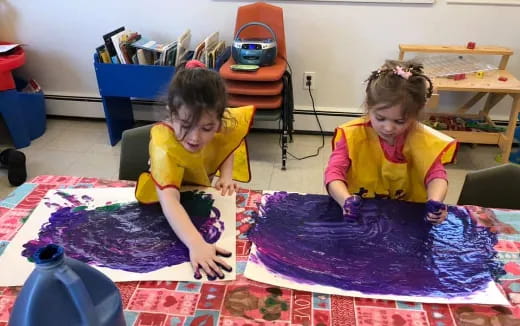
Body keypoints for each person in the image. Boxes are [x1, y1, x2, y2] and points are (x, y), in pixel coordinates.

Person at [135, 60, 255, 279]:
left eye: (207, 128)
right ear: (171, 114)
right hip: (165, 197)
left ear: (219, 120)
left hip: (198, 192)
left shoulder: (222, 122)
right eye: (186, 125)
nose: (195, 137)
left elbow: (226, 143)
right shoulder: (163, 146)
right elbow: (170, 200)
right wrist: (196, 243)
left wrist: (226, 175)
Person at [325, 60, 457, 224]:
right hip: (360, 214)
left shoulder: (422, 140)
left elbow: (436, 175)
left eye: (400, 121)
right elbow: (333, 174)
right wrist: (345, 200)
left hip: (406, 217)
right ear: (369, 107)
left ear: (415, 116)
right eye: (380, 118)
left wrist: (435, 202)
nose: (388, 128)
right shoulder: (352, 136)